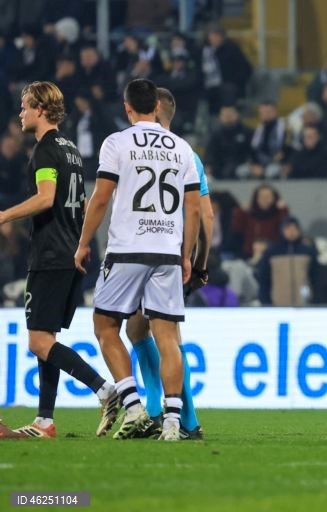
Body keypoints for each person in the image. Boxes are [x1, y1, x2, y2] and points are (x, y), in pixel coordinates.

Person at [75, 79, 201, 441]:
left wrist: (84, 243)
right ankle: (174, 423)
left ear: (128, 107)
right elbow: (193, 207)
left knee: (104, 325)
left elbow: (100, 198)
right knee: (167, 337)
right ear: (156, 107)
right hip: (167, 250)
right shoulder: (182, 148)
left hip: (128, 248)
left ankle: (133, 408)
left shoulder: (117, 143)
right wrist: (186, 254)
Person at [0, 81, 118, 438]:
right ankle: (45, 420)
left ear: (40, 109)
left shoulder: (45, 151)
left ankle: (105, 390)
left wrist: (4, 215)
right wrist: (81, 243)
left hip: (50, 255)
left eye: (24, 106)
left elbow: (46, 198)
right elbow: (80, 203)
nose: (20, 113)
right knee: (46, 338)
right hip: (70, 252)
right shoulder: (71, 150)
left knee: (38, 341)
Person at [122, 87, 214, 440]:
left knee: (165, 335)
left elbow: (202, 213)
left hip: (154, 251)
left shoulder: (139, 149)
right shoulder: (189, 155)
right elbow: (207, 215)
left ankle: (185, 419)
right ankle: (159, 409)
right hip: (172, 255)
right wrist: (201, 261)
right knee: (137, 328)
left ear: (154, 110)